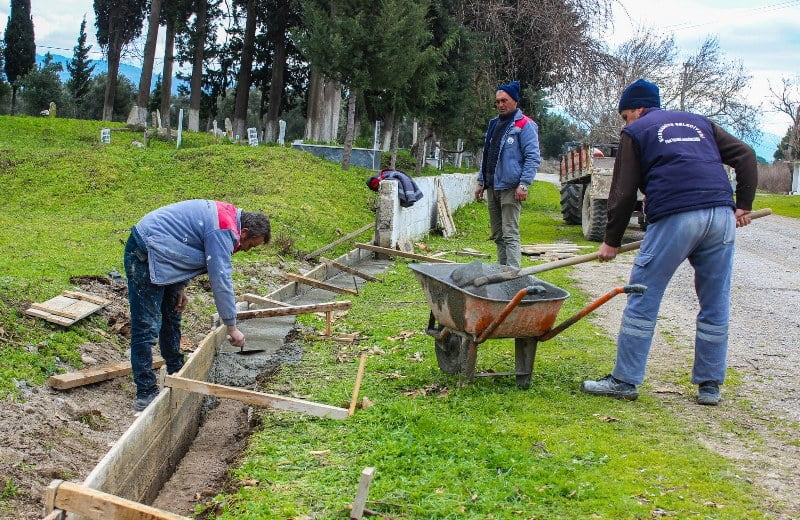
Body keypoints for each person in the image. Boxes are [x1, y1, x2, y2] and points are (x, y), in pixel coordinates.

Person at [581, 79, 757, 406]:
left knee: (642, 295)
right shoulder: (700, 123)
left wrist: (611, 241)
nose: (625, 122)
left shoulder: (637, 131)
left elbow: (622, 191)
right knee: (715, 302)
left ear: (636, 109)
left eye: (625, 116)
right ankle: (710, 386)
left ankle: (624, 380)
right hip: (720, 216)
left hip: (677, 216)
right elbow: (746, 155)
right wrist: (743, 205)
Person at [124, 200, 271, 411]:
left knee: (172, 313)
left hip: (165, 252)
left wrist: (180, 285)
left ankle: (177, 372)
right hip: (146, 250)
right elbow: (220, 279)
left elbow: (188, 246)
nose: (247, 250)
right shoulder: (223, 230)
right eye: (251, 245)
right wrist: (231, 326)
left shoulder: (228, 221)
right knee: (146, 326)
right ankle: (145, 393)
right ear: (245, 232)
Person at [475, 80, 541, 268]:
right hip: (492, 187)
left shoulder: (524, 124)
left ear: (515, 101)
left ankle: (513, 277)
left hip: (511, 188)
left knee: (510, 233)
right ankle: (500, 273)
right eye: (497, 101)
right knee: (498, 234)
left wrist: (524, 184)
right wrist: (481, 182)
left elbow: (532, 157)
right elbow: (487, 155)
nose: (500, 105)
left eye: (504, 100)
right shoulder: (494, 124)